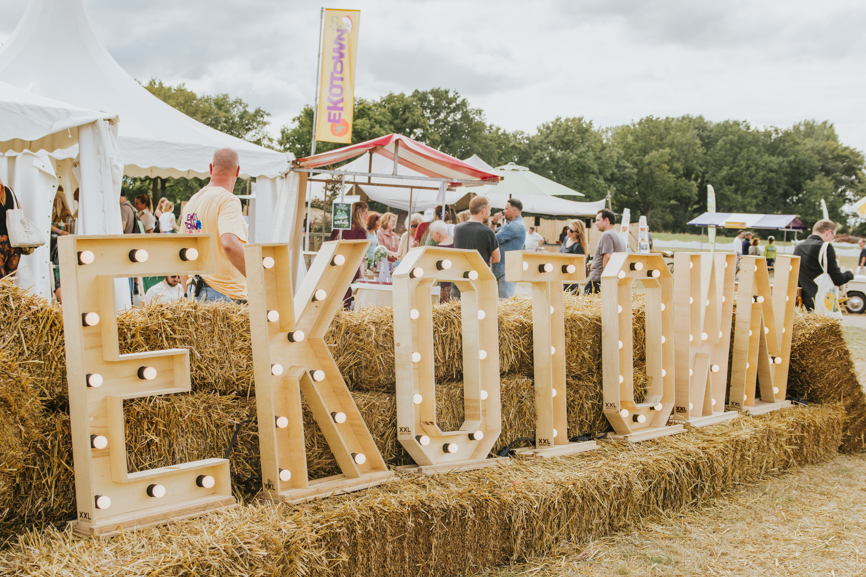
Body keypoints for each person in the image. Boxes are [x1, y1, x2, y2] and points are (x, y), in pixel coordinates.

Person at [179, 148, 248, 303]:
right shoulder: (228, 200)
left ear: (210, 168)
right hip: (224, 294)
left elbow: (182, 252)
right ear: (238, 171)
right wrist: (258, 278)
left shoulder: (192, 203)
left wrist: (186, 293)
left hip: (194, 291)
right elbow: (229, 244)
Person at [793, 219, 853, 311]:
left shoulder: (798, 248)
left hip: (803, 302)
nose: (832, 239)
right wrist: (849, 273)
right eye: (834, 236)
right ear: (829, 232)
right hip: (821, 302)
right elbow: (838, 279)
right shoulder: (825, 247)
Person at [453, 196, 500, 301]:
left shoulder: (457, 229)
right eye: (489, 209)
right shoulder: (488, 232)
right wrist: (487, 257)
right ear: (483, 211)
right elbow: (497, 258)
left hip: (459, 277)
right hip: (479, 279)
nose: (490, 212)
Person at [330, 201, 368, 308]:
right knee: (346, 293)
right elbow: (360, 251)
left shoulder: (338, 227)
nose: (367, 216)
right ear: (360, 214)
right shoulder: (360, 230)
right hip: (351, 265)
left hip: (336, 264)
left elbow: (330, 243)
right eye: (366, 213)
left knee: (335, 290)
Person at [489, 198, 526, 298]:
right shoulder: (509, 225)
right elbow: (491, 235)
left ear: (513, 211)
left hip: (508, 269)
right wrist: (493, 222)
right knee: (503, 301)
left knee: (505, 301)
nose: (504, 211)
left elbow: (493, 239)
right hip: (504, 269)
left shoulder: (516, 226)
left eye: (506, 208)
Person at [586, 208, 625, 294]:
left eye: (598, 220)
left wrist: (606, 280)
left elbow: (607, 257)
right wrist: (595, 262)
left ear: (606, 220)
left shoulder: (606, 235)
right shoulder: (618, 235)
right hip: (614, 279)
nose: (596, 223)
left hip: (598, 281)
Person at [0, 173, 22, 278]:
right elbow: (20, 210)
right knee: (9, 283)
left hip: (0, 244)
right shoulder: (10, 191)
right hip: (13, 243)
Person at [428, 220, 454, 302]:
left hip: (445, 286)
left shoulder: (437, 249)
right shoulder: (458, 242)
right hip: (460, 284)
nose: (431, 237)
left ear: (438, 234)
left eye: (431, 234)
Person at [560, 219, 588, 293]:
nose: (568, 231)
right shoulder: (566, 239)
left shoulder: (578, 246)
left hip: (570, 281)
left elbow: (580, 266)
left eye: (571, 231)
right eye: (568, 228)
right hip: (561, 276)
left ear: (578, 233)